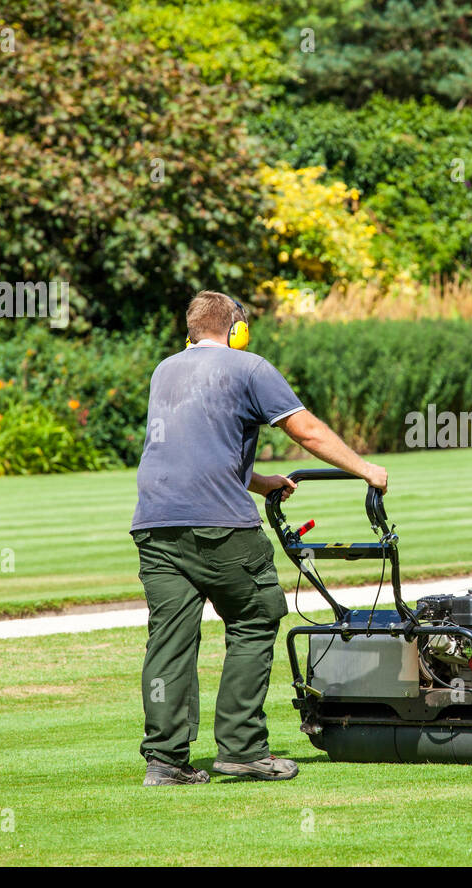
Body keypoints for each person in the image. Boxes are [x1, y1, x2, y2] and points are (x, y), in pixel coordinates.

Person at [130, 291, 387, 785]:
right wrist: (364, 469)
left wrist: (261, 482)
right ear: (236, 329)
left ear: (191, 331)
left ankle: (164, 761)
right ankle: (243, 748)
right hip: (219, 525)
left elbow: (196, 448)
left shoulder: (165, 371)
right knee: (257, 613)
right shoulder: (248, 367)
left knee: (169, 639)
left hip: (154, 524)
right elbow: (306, 430)